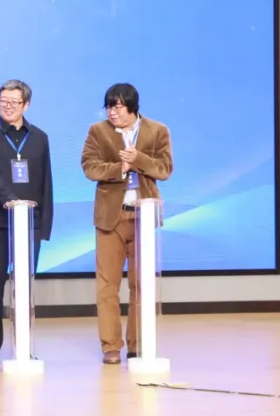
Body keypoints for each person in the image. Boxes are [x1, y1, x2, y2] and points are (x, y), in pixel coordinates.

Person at [81, 83, 173, 364]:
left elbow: (164, 169)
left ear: (132, 106)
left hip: (143, 215)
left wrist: (138, 159)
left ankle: (137, 343)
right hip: (110, 217)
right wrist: (119, 168)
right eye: (108, 106)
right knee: (107, 285)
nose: (112, 112)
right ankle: (111, 346)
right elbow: (89, 167)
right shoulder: (98, 131)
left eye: (117, 106)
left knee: (141, 284)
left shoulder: (157, 130)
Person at [0, 80, 54, 366]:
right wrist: (10, 201)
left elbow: (46, 182)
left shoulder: (39, 137)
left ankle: (24, 347)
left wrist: (44, 223)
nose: (8, 106)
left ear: (26, 105)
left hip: (29, 223)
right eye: (3, 101)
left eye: (14, 102)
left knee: (24, 288)